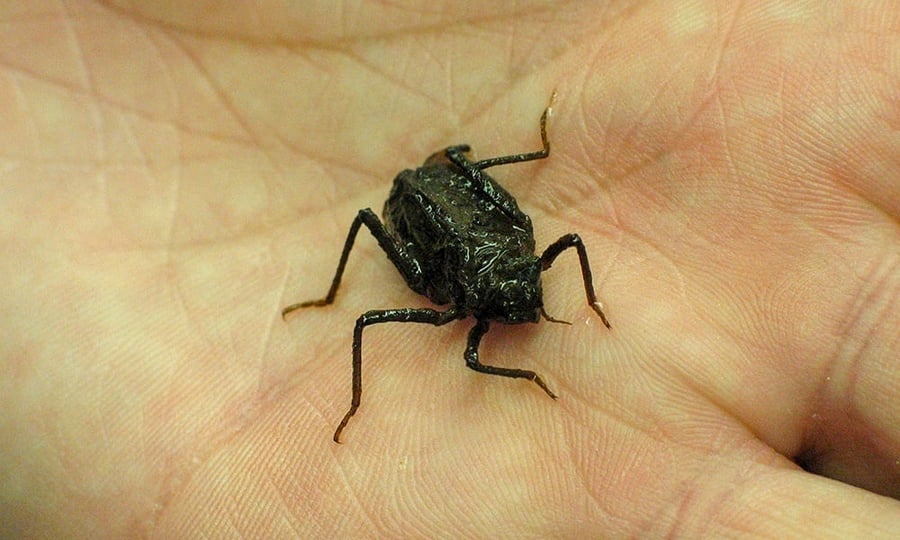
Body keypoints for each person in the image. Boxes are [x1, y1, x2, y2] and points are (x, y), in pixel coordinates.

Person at [1, 1, 897, 536]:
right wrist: (517, 370)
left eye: (529, 295)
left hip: (471, 215)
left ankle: (494, 173)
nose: (525, 309)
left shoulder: (531, 262)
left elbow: (559, 248)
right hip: (420, 216)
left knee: (525, 217)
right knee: (368, 277)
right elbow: (463, 349)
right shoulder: (452, 315)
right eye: (519, 302)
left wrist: (564, 295)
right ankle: (334, 289)